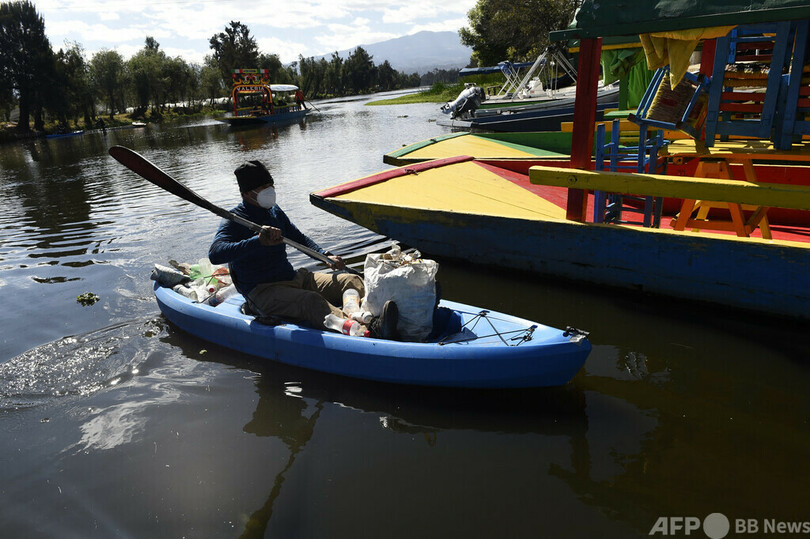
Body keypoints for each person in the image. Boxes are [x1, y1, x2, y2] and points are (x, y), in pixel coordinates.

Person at [208, 160, 397, 338]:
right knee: (311, 301)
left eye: (271, 185)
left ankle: (357, 315)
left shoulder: (274, 211)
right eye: (263, 187)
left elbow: (298, 238)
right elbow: (215, 253)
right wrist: (257, 241)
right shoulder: (235, 220)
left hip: (292, 278)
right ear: (247, 194)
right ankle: (369, 330)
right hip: (263, 292)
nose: (270, 190)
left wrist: (324, 255)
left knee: (351, 280)